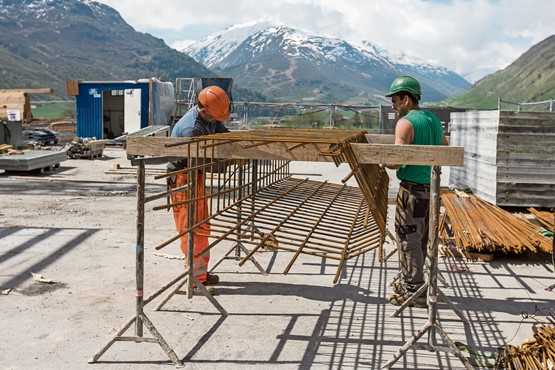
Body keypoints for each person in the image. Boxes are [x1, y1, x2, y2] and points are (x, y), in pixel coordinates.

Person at [383, 76, 448, 308]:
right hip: (430, 192)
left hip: (410, 193)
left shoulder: (405, 123)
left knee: (407, 239)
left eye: (395, 99)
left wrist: (380, 160)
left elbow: (398, 161)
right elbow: (445, 147)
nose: (393, 104)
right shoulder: (432, 119)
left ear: (407, 99)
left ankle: (414, 291)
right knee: (420, 240)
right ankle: (417, 284)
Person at [167, 85, 231, 295]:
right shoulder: (191, 129)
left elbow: (223, 134)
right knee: (190, 229)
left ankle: (201, 274)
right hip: (183, 178)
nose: (217, 121)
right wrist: (225, 160)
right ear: (204, 110)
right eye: (214, 117)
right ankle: (194, 280)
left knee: (202, 226)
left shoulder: (211, 117)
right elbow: (205, 160)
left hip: (196, 175)